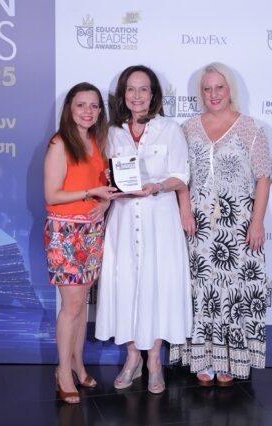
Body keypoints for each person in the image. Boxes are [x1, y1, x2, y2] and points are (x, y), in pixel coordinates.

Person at [170, 62, 272, 386]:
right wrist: (185, 211)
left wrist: (257, 223)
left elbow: (264, 178)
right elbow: (180, 177)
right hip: (198, 227)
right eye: (207, 89)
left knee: (234, 292)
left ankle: (230, 359)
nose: (213, 94)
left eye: (219, 87)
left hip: (239, 228)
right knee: (201, 292)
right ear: (201, 93)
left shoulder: (251, 129)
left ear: (230, 90)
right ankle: (203, 358)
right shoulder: (187, 129)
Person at [95, 65, 192, 394]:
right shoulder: (112, 133)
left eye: (144, 89)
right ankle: (132, 358)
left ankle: (154, 361)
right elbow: (105, 176)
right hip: (123, 221)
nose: (137, 96)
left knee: (157, 286)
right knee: (126, 286)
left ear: (154, 95)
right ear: (123, 95)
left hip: (159, 220)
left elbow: (182, 176)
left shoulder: (170, 129)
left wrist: (158, 186)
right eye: (131, 89)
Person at [44, 82, 117, 404]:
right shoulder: (60, 143)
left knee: (81, 304)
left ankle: (77, 364)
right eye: (81, 105)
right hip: (66, 233)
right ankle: (63, 372)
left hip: (92, 233)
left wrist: (105, 201)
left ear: (100, 111)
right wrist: (91, 193)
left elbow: (103, 188)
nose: (88, 111)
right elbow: (52, 195)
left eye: (94, 106)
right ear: (69, 109)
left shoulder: (98, 143)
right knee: (71, 306)